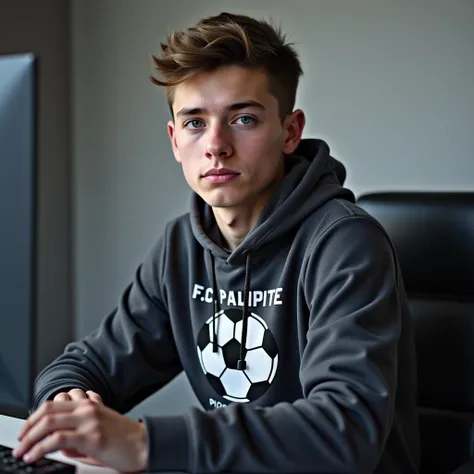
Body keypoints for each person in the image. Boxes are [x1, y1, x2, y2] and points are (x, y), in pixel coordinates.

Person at [13, 11, 419, 474]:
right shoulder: (181, 247)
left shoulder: (346, 244)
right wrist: (66, 402)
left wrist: (147, 443)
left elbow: (345, 432)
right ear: (174, 140)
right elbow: (92, 363)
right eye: (194, 122)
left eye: (243, 118)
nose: (216, 145)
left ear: (290, 132)